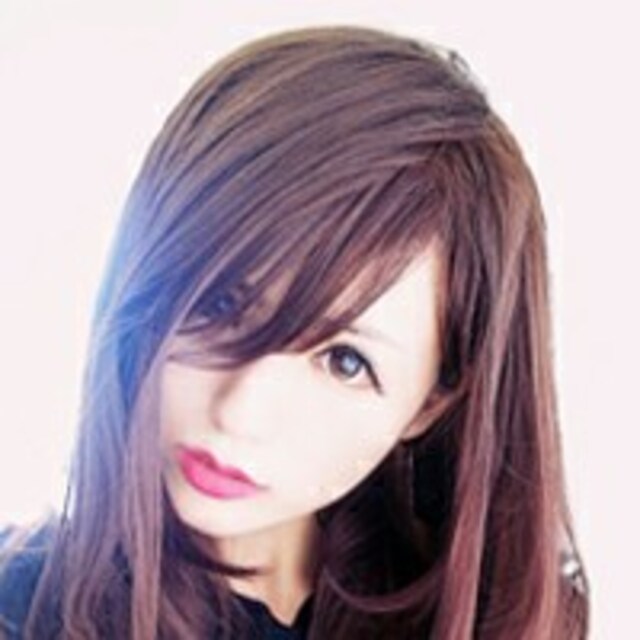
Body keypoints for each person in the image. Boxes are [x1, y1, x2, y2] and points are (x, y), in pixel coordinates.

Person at [0, 25, 589, 639]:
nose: (240, 412)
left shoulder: (499, 621)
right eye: (221, 303)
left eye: (344, 361)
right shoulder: (22, 612)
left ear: (431, 402)